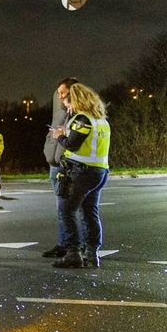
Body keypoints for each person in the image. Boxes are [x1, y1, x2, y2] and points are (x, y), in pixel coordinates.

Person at [50, 83, 111, 268]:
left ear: (77, 100)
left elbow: (72, 144)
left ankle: (73, 254)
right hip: (100, 171)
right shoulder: (101, 120)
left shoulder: (83, 119)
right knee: (89, 212)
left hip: (83, 172)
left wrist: (59, 135)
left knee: (66, 211)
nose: (69, 108)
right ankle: (92, 254)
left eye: (70, 104)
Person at [41, 77, 78, 257]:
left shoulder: (75, 113)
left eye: (63, 92)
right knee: (61, 209)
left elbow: (69, 139)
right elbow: (53, 136)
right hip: (53, 163)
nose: (61, 96)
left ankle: (69, 246)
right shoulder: (60, 111)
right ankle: (64, 243)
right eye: (59, 93)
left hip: (63, 165)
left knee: (66, 209)